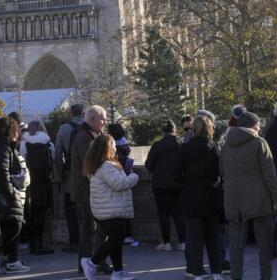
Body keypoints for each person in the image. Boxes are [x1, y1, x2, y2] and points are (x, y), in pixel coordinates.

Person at [220, 112, 277, 280]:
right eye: (257, 124)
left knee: (235, 244)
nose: (260, 127)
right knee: (264, 245)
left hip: (233, 199)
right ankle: (265, 277)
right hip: (259, 199)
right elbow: (270, 173)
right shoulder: (259, 142)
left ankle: (236, 276)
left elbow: (222, 171)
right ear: (252, 125)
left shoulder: (226, 145)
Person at [81, 133, 139, 280]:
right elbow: (119, 184)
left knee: (116, 240)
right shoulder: (106, 166)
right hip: (111, 209)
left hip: (106, 209)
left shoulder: (97, 165)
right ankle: (91, 262)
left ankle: (118, 272)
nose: (115, 148)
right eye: (113, 145)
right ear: (107, 147)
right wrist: (133, 177)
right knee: (116, 240)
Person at [175, 115, 223, 280]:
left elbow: (176, 173)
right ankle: (217, 271)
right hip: (211, 196)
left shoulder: (185, 148)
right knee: (213, 238)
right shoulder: (214, 148)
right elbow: (221, 172)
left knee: (194, 239)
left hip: (191, 197)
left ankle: (197, 271)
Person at [0, 117, 31, 275]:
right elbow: (1, 173)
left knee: (13, 226)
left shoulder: (3, 146)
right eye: (16, 130)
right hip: (8, 195)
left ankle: (11, 261)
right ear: (10, 131)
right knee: (14, 226)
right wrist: (12, 193)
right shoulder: (2, 148)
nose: (18, 134)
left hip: (11, 194)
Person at [72, 106, 108, 276]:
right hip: (87, 190)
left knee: (96, 227)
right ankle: (87, 262)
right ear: (93, 119)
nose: (105, 123)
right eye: (103, 119)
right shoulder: (83, 137)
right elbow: (91, 163)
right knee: (89, 227)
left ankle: (95, 261)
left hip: (91, 189)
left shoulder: (91, 134)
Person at [145, 119, 185, 252]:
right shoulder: (181, 144)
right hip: (178, 183)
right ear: (175, 130)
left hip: (160, 184)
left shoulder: (157, 145)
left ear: (163, 131)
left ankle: (166, 242)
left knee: (163, 214)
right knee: (179, 214)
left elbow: (149, 165)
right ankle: (183, 241)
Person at [19, 120, 54, 255]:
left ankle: (32, 243)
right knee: (42, 214)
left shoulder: (24, 143)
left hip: (29, 183)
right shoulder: (48, 142)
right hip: (44, 182)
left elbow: (21, 161)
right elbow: (54, 159)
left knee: (30, 213)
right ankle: (40, 243)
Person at [54, 104, 84, 251]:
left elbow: (58, 154)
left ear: (71, 113)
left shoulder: (64, 129)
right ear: (83, 113)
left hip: (71, 176)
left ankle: (74, 242)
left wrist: (61, 173)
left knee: (70, 210)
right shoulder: (89, 127)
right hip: (88, 174)